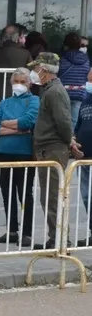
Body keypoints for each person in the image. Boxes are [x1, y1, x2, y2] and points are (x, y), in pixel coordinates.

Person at [30, 52, 73, 250]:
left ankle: (60, 239)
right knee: (49, 196)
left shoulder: (54, 91)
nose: (34, 72)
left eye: (36, 68)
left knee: (53, 195)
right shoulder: (49, 90)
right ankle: (55, 237)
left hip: (53, 148)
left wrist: (68, 141)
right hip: (48, 147)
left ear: (44, 70)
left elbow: (64, 122)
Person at [0, 68, 39, 246]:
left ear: (29, 83)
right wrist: (17, 128)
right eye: (16, 81)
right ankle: (12, 230)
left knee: (25, 193)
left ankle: (26, 232)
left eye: (23, 81)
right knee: (7, 192)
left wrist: (7, 125)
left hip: (25, 152)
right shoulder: (5, 102)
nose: (19, 85)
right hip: (3, 151)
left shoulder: (34, 100)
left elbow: (29, 121)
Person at [71, 69, 92, 246]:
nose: (88, 83)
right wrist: (75, 144)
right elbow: (78, 127)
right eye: (88, 79)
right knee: (87, 196)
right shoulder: (85, 101)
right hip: (84, 157)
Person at [0, 25, 32, 100]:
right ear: (18, 38)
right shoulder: (25, 53)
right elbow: (31, 75)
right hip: (19, 94)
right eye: (23, 36)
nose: (24, 39)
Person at [59, 32, 90, 127]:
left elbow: (58, 73)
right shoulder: (86, 59)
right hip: (79, 94)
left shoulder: (62, 59)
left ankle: (63, 140)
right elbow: (87, 74)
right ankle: (70, 139)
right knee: (73, 121)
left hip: (63, 93)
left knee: (61, 120)